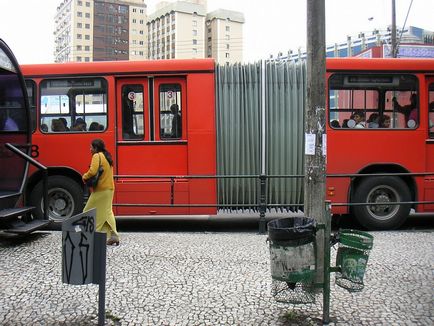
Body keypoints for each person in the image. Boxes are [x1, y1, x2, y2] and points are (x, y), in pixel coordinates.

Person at [82, 139, 119, 246]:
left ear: (96, 148)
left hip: (101, 190)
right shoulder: (107, 156)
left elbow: (93, 171)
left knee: (88, 210)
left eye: (91, 147)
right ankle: (114, 236)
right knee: (107, 212)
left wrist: (84, 176)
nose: (90, 149)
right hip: (109, 188)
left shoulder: (97, 156)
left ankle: (92, 235)